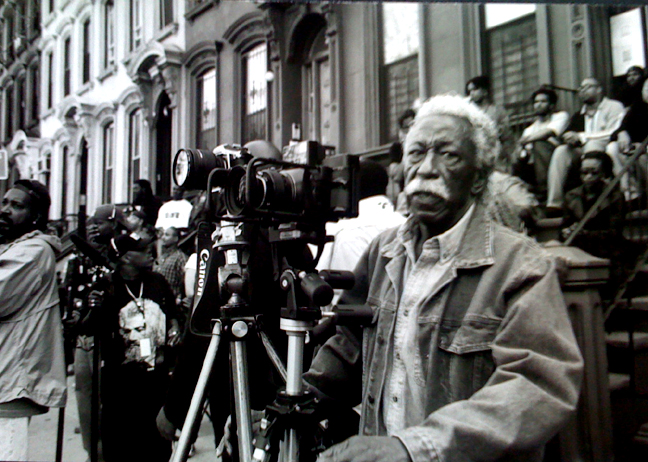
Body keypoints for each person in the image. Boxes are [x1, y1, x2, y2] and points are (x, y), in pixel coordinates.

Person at [304, 94, 583, 462]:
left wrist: (414, 448)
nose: (426, 169)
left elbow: (536, 384)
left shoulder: (522, 265)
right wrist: (297, 402)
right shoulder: (383, 252)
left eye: (448, 155)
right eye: (416, 153)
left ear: (480, 179)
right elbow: (348, 347)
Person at [89, 234, 182, 462]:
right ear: (127, 257)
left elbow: (173, 315)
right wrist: (95, 308)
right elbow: (88, 327)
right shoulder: (107, 286)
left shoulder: (157, 281)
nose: (151, 252)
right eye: (144, 250)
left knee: (157, 448)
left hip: (156, 381)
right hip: (120, 385)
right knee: (121, 447)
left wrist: (175, 329)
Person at [0, 180, 67, 461]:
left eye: (17, 206)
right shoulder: (12, 248)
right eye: (4, 202)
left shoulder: (34, 251)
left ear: (36, 217)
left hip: (11, 380)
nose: (5, 210)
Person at [67, 203, 130, 459]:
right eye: (91, 223)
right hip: (84, 337)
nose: (93, 227)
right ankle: (91, 451)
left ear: (114, 224)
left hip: (109, 340)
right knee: (85, 400)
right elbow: (72, 293)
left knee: (111, 403)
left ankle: (109, 452)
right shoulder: (79, 257)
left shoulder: (122, 253)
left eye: (100, 222)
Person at [546, 77, 625, 212]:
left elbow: (614, 131)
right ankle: (554, 204)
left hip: (608, 147)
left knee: (591, 145)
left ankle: (594, 198)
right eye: (581, 88)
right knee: (561, 151)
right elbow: (569, 134)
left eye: (587, 87)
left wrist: (582, 137)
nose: (582, 90)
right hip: (583, 150)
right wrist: (569, 138)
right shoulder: (579, 115)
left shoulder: (614, 106)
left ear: (599, 89)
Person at [513, 86, 569, 203]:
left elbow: (548, 133)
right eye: (536, 102)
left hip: (557, 158)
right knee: (516, 157)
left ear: (552, 105)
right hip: (534, 163)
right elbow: (524, 150)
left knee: (539, 143)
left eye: (543, 101)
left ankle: (544, 191)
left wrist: (524, 141)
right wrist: (521, 150)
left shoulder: (560, 117)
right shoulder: (529, 129)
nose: (538, 105)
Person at [608, 78, 648, 205]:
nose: (647, 91)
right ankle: (631, 194)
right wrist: (622, 133)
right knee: (613, 147)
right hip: (638, 155)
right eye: (646, 88)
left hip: (644, 153)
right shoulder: (638, 108)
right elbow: (618, 130)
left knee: (641, 158)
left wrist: (643, 147)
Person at [465, 75, 513, 172]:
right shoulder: (469, 113)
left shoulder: (497, 111)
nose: (471, 94)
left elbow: (506, 134)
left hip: (495, 154)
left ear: (485, 91)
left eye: (475, 89)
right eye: (469, 91)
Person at [154, 226, 188, 321]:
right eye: (163, 234)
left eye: (167, 235)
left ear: (176, 239)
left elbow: (185, 281)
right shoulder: (161, 257)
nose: (163, 237)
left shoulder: (180, 258)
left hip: (173, 305)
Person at [388, 109, 416, 207]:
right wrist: (407, 148)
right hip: (405, 195)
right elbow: (396, 175)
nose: (410, 130)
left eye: (412, 126)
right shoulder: (397, 148)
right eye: (406, 127)